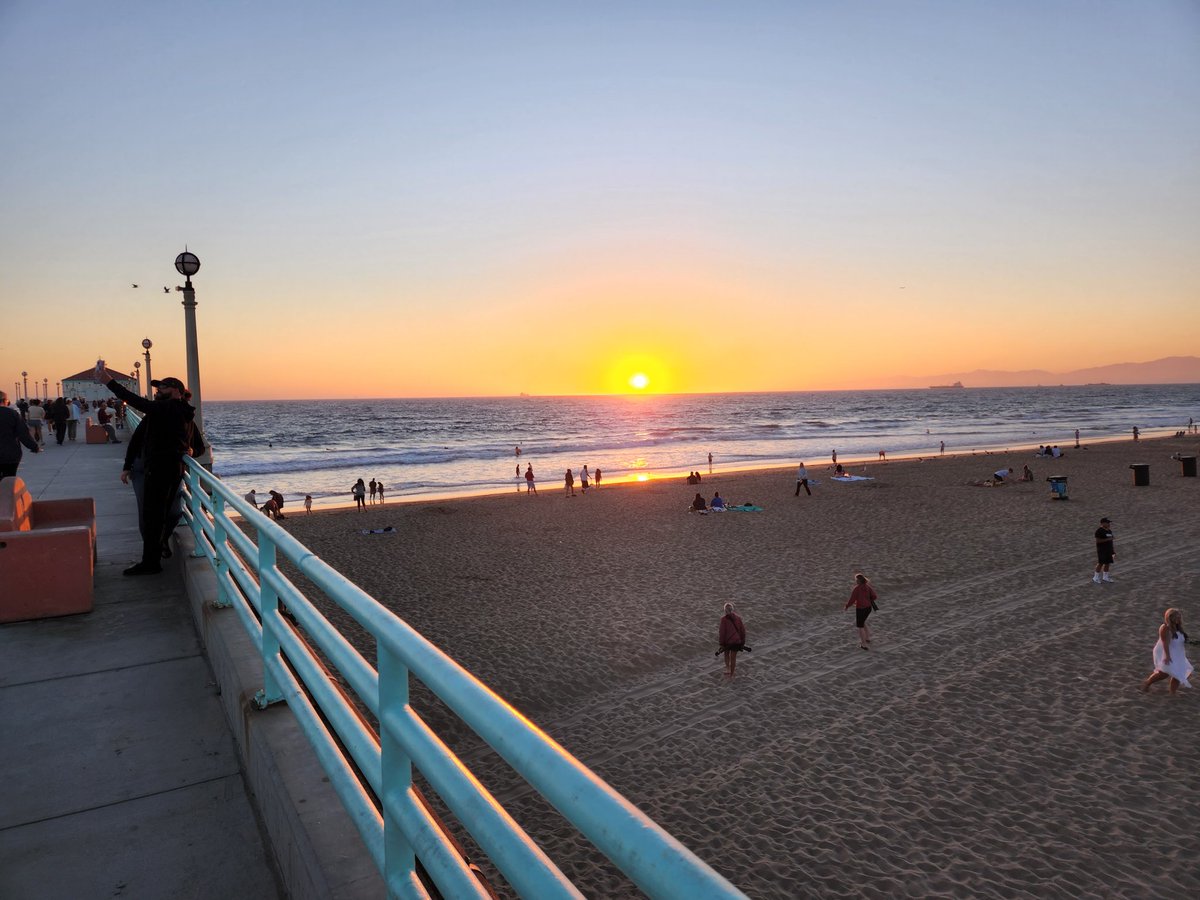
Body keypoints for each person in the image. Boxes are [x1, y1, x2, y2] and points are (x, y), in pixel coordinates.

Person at [99, 372, 200, 576]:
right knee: (160, 515)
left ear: (177, 392)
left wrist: (108, 381)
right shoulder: (179, 412)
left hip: (161, 470)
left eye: (163, 387)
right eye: (157, 387)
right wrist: (191, 451)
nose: (158, 390)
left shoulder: (169, 408)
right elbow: (138, 439)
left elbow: (136, 401)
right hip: (172, 470)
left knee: (153, 516)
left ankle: (151, 562)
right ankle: (155, 552)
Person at [1141, 608, 1193, 694]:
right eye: (1176, 617)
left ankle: (1172, 692)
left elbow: (1184, 640)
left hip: (1177, 653)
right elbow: (1165, 643)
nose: (1178, 619)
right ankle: (1147, 683)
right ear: (1170, 618)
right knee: (1164, 673)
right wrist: (1167, 656)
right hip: (1165, 652)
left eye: (1179, 617)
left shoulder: (1179, 628)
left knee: (1178, 674)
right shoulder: (1165, 627)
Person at [0, 390, 41, 479]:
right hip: (10, 454)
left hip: (9, 454)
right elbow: (23, 433)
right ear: (5, 400)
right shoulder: (12, 414)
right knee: (9, 480)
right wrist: (34, 447)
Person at [844, 573, 878, 650]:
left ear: (858, 581)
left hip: (860, 609)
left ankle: (864, 644)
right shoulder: (867, 587)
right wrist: (867, 599)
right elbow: (875, 596)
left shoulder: (857, 589)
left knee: (860, 626)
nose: (855, 581)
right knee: (863, 622)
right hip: (868, 608)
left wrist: (847, 606)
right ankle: (868, 638)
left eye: (856, 580)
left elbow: (852, 600)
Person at [718, 602, 746, 677]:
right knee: (733, 658)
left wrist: (721, 643)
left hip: (727, 642)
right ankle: (732, 673)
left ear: (725, 611)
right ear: (732, 610)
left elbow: (722, 632)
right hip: (737, 641)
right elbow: (742, 630)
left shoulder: (723, 619)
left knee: (726, 654)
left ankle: (728, 669)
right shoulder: (738, 618)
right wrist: (742, 641)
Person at [1093, 517, 1115, 584]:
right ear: (1102, 523)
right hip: (1102, 550)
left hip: (1109, 550)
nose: (1109, 524)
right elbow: (1098, 541)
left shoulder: (1109, 530)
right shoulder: (1099, 531)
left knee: (1107, 563)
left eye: (1109, 522)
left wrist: (1112, 550)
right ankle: (1095, 577)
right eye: (1107, 522)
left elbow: (1111, 540)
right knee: (1100, 563)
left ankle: (1105, 577)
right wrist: (1108, 539)